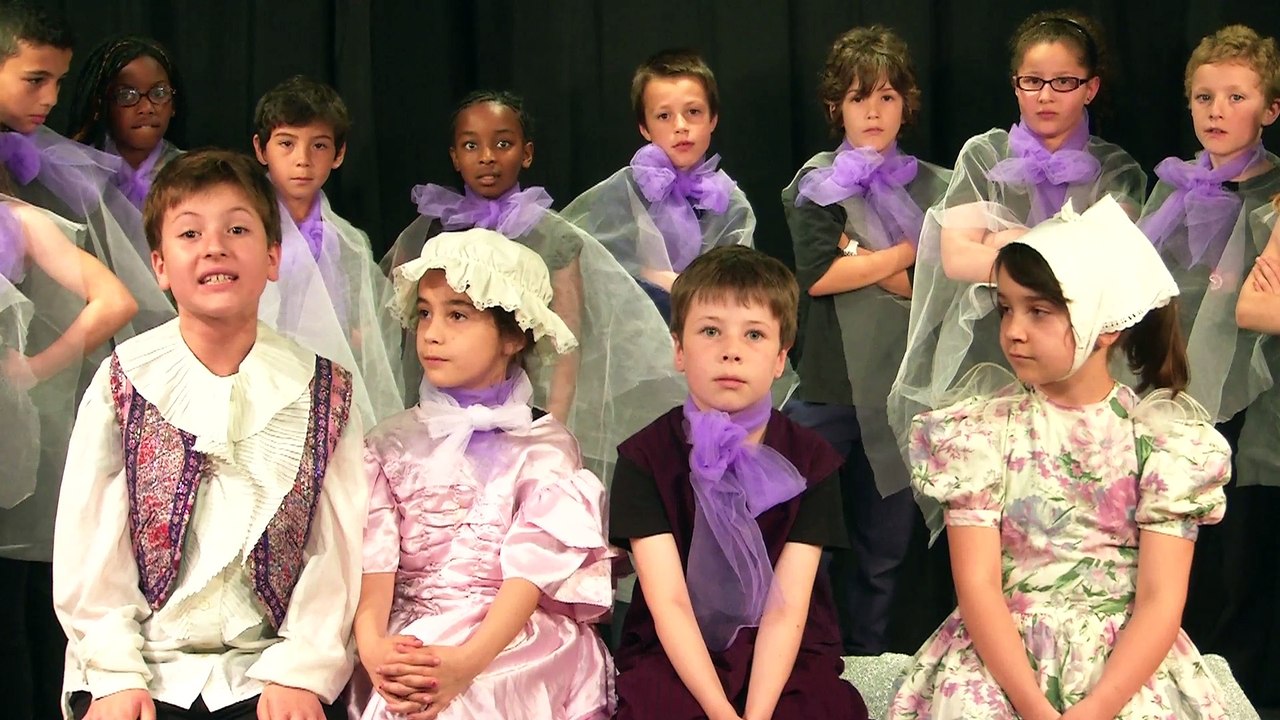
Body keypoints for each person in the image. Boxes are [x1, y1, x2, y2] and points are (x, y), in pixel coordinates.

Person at [53, 150, 367, 720]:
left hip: (270, 667)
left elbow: (336, 549)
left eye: (238, 229)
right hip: (145, 666)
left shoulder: (326, 390)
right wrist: (114, 671)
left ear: (273, 257)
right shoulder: (125, 380)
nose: (215, 246)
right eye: (190, 233)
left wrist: (301, 669)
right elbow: (91, 541)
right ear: (160, 266)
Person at [890, 196, 1230, 719]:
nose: (1014, 330)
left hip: (1125, 660)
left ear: (1106, 324)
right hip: (1003, 653)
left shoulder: (1162, 441)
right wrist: (1032, 706)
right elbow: (978, 585)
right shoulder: (983, 432)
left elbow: (1161, 600)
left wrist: (1097, 708)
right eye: (1006, 308)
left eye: (1039, 311)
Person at [354, 228, 614, 719]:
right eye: (426, 312)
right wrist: (372, 648)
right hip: (407, 629)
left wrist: (465, 665)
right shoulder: (388, 443)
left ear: (513, 334)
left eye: (457, 315)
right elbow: (375, 563)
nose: (431, 332)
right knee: (403, 690)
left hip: (507, 636)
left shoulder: (546, 448)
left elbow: (529, 578)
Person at [610, 245, 867, 720]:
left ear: (779, 357)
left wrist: (757, 714)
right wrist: (721, 712)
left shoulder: (814, 460)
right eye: (710, 331)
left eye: (754, 334)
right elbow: (668, 603)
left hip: (785, 650)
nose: (731, 350)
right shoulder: (644, 456)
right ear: (680, 351)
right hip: (676, 649)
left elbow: (787, 611)